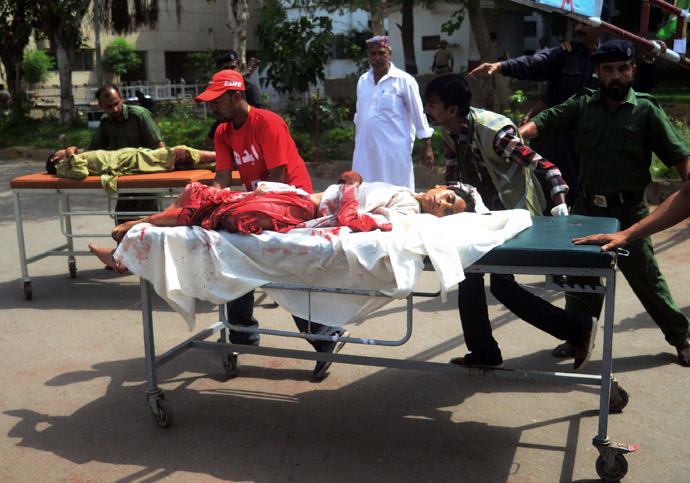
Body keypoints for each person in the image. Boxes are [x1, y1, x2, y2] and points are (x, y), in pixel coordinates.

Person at [520, 39, 690, 367]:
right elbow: (546, 121)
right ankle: (578, 333)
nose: (616, 76)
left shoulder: (645, 110)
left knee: (646, 278)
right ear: (598, 72)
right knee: (580, 278)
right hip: (588, 210)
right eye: (608, 69)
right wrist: (516, 134)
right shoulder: (582, 105)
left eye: (622, 69)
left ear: (633, 71)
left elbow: (679, 155)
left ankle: (680, 335)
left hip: (629, 212)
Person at [423, 74, 596, 371]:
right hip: (482, 218)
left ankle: (577, 328)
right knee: (469, 275)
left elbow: (548, 169)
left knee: (500, 287)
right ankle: (484, 353)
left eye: (432, 104)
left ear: (452, 109)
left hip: (513, 216)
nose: (426, 109)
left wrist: (560, 211)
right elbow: (453, 179)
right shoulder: (449, 130)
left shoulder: (495, 133)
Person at [194, 68, 343, 379]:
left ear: (237, 96)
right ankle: (240, 335)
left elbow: (276, 179)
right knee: (230, 255)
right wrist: (206, 202)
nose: (212, 107)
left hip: (293, 202)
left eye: (216, 100)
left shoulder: (268, 123)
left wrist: (242, 210)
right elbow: (222, 178)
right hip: (259, 203)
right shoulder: (223, 131)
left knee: (277, 268)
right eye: (209, 101)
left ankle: (325, 336)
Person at [468, 20, 660, 210]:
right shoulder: (565, 53)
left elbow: (636, 89)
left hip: (589, 141)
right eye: (577, 23)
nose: (578, 29)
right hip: (555, 140)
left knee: (582, 197)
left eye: (585, 23)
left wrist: (649, 61)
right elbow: (536, 64)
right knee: (546, 193)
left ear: (600, 27)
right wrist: (503, 66)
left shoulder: (609, 61)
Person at [50, 84, 166, 224]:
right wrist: (70, 154)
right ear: (101, 106)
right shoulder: (106, 122)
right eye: (109, 107)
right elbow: (92, 151)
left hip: (149, 174)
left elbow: (160, 147)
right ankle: (122, 246)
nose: (114, 109)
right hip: (126, 174)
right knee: (122, 218)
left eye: (116, 104)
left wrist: (162, 176)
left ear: (121, 98)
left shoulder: (139, 115)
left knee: (148, 220)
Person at [352, 35, 434, 191]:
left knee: (397, 193)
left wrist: (427, 144)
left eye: (381, 53)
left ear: (389, 54)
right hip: (365, 150)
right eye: (373, 54)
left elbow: (418, 113)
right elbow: (359, 116)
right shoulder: (363, 81)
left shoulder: (404, 80)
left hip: (394, 151)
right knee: (365, 191)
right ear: (368, 57)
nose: (377, 58)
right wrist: (355, 145)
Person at [45, 145, 216, 193]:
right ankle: (222, 155)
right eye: (61, 150)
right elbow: (80, 173)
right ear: (55, 159)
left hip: (130, 157)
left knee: (182, 162)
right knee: (178, 153)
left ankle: (224, 162)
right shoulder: (63, 166)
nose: (65, 149)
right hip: (131, 162)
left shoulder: (67, 164)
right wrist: (70, 154)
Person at [204, 50, 264, 150]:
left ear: (239, 68)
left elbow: (259, 111)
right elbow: (222, 115)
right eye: (226, 68)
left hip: (251, 134)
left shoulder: (248, 86)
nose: (229, 71)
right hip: (231, 136)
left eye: (232, 67)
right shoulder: (220, 88)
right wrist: (212, 134)